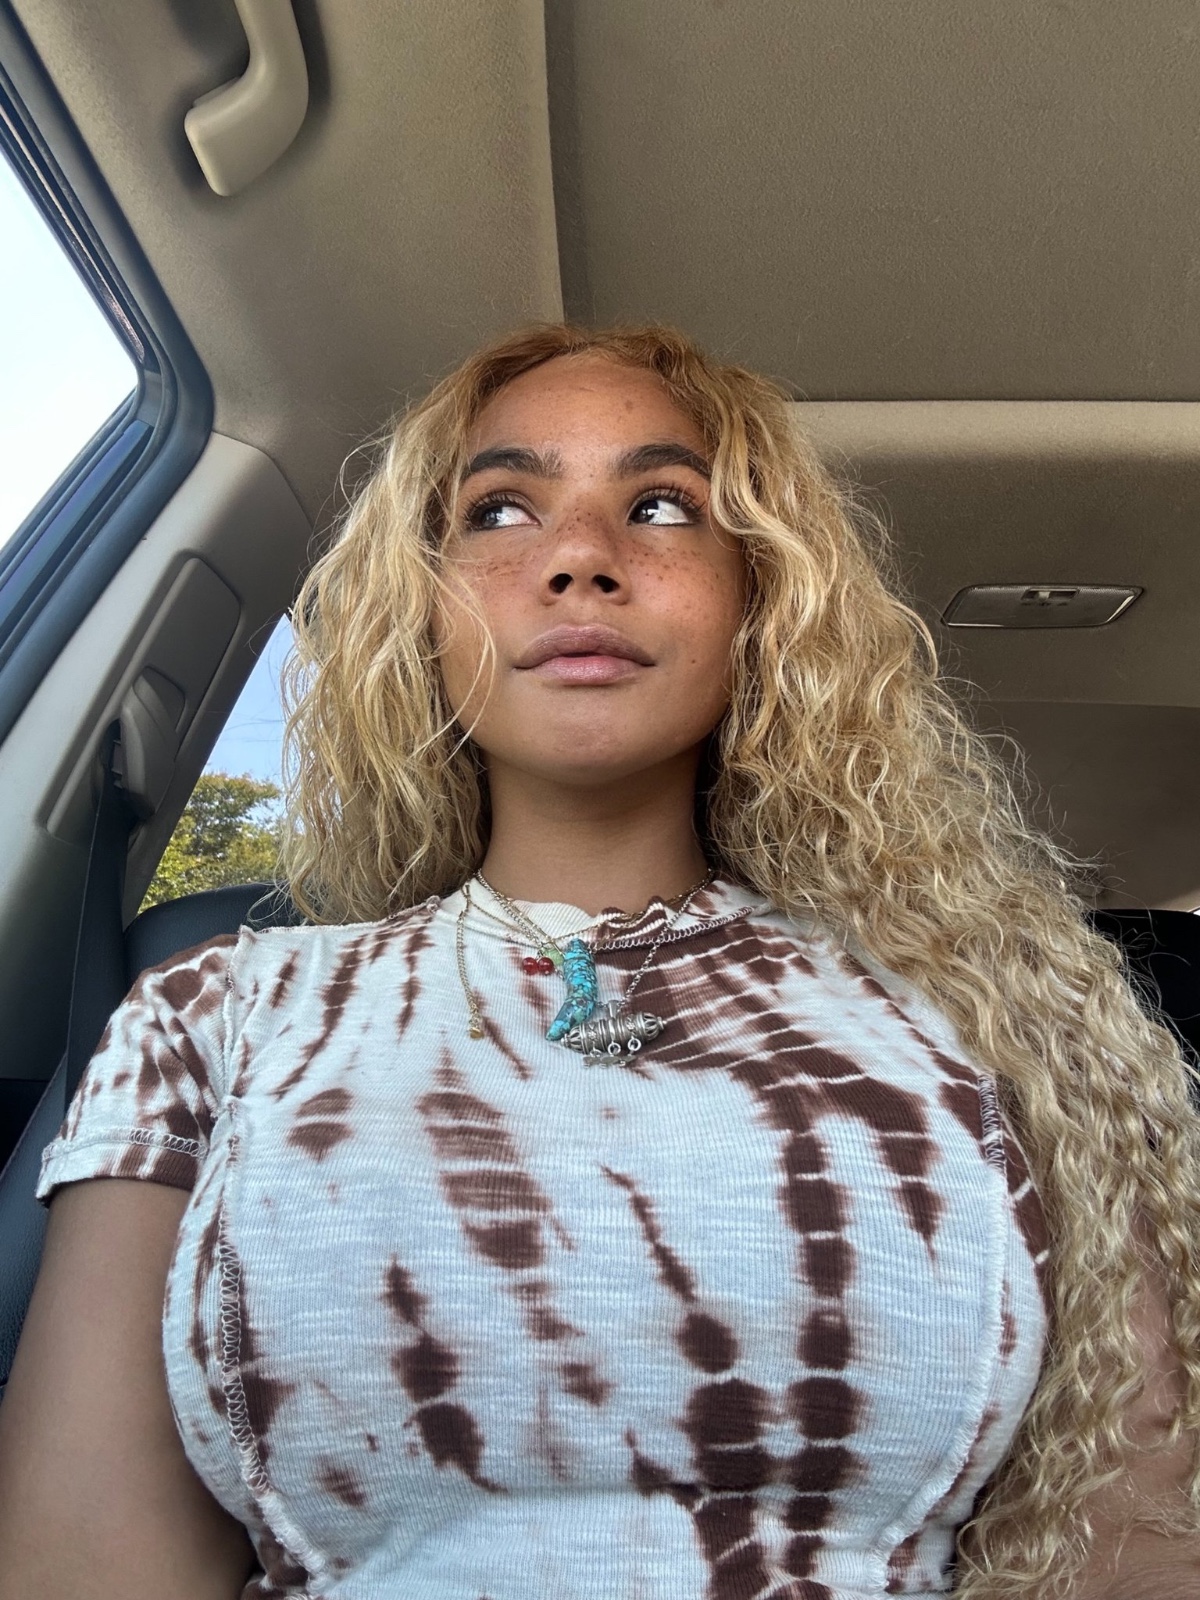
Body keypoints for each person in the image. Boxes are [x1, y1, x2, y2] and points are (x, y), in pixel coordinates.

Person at [0, 324, 1197, 1600]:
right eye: (500, 509)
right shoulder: (212, 1021)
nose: (580, 557)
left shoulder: (1007, 1028)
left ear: (761, 597)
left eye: (664, 506)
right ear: (423, 601)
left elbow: (1132, 1551)